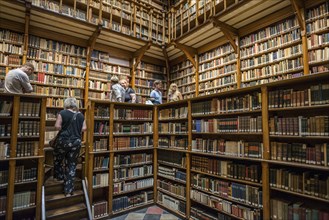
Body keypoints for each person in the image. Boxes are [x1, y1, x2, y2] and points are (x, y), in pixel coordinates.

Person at [54, 97, 87, 197]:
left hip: (63, 141)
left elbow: (57, 126)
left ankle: (59, 176)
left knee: (58, 158)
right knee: (72, 165)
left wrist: (64, 127)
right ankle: (68, 190)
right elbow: (84, 128)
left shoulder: (62, 113)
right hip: (76, 142)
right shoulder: (80, 115)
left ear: (66, 104)